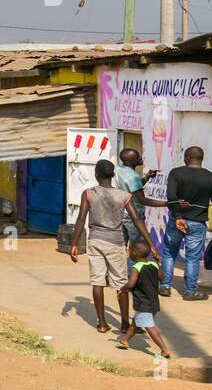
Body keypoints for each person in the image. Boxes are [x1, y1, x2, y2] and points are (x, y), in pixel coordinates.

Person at [70, 159, 159, 333]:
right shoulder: (124, 196)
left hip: (95, 241)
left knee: (97, 282)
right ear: (113, 175)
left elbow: (81, 219)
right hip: (116, 243)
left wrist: (74, 243)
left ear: (96, 175)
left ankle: (102, 324)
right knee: (120, 284)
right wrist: (152, 244)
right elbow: (137, 219)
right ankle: (125, 324)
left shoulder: (88, 193)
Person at [157, 145, 212, 300]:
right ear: (201, 159)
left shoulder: (176, 173)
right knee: (193, 257)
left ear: (187, 158)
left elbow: (171, 195)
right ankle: (189, 291)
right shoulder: (210, 177)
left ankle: (165, 286)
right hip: (198, 222)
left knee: (169, 252)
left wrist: (178, 217)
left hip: (177, 220)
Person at [118, 239, 174, 358]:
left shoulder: (136, 267)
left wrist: (123, 289)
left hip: (143, 303)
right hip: (153, 302)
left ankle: (164, 350)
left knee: (149, 325)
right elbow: (162, 277)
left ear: (133, 253)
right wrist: (158, 264)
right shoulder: (153, 264)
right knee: (136, 323)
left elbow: (131, 284)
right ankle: (125, 340)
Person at [116, 148, 157, 247]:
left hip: (121, 214)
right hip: (133, 216)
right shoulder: (133, 176)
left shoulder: (119, 169)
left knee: (121, 247)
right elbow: (142, 200)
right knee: (138, 248)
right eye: (137, 157)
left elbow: (133, 188)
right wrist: (166, 203)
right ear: (127, 161)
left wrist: (147, 177)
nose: (140, 157)